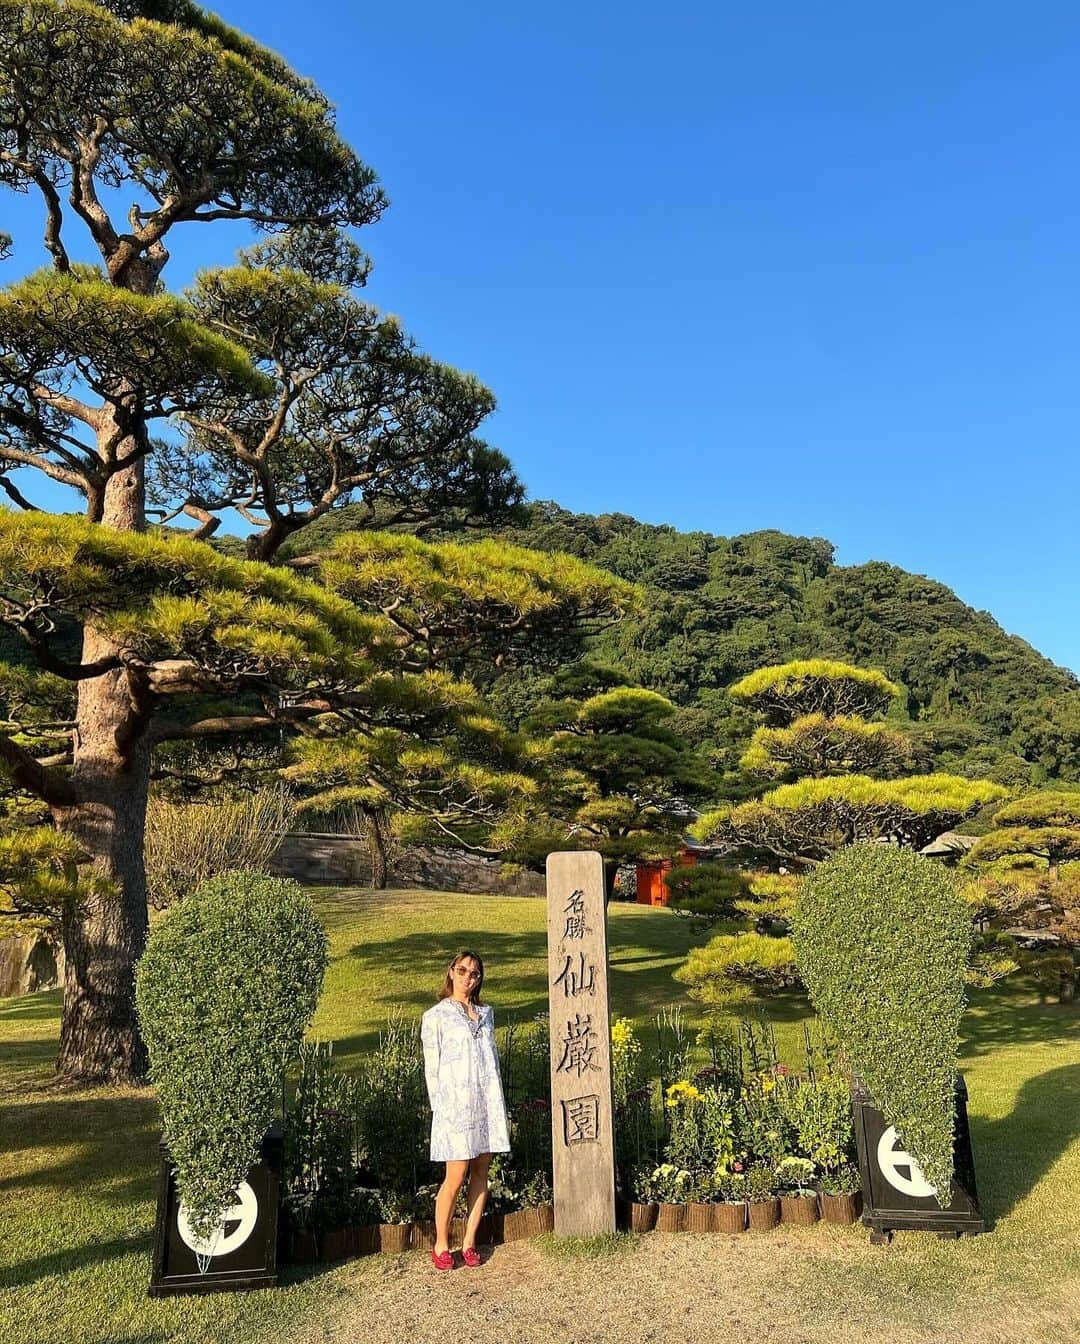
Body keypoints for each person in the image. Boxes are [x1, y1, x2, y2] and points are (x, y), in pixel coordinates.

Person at [420, 950, 510, 1270]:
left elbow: (493, 1062)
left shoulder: (486, 1014)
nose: (467, 977)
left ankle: (470, 1240)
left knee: (481, 1171)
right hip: (455, 1108)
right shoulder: (436, 1017)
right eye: (462, 970)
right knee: (455, 1174)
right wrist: (440, 1109)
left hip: (486, 1103)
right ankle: (442, 1242)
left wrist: (497, 1103)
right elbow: (433, 1069)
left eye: (474, 973)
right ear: (451, 972)